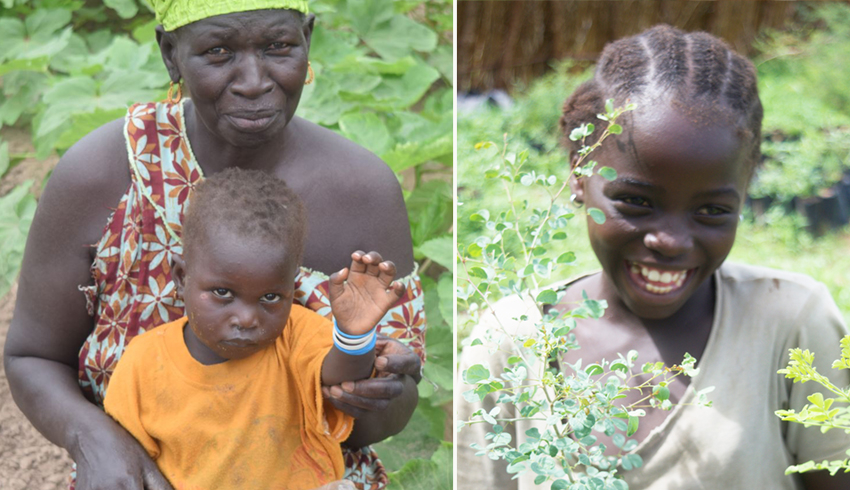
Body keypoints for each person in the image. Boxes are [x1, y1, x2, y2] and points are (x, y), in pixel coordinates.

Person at [3, 1, 426, 489]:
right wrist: (94, 439)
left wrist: (374, 392)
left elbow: (391, 405)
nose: (253, 81)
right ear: (170, 53)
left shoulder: (362, 190)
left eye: (278, 47)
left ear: (307, 40)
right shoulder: (102, 174)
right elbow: (32, 357)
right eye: (219, 51)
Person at [458, 25, 850, 490]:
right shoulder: (512, 339)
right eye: (636, 202)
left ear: (745, 193)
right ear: (580, 176)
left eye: (711, 210)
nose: (669, 240)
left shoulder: (791, 323)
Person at [104, 168, 405, 490]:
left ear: (292, 289)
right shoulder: (144, 363)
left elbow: (340, 378)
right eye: (223, 293)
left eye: (270, 297)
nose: (247, 318)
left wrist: (355, 335)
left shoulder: (296, 334)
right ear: (181, 278)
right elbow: (127, 458)